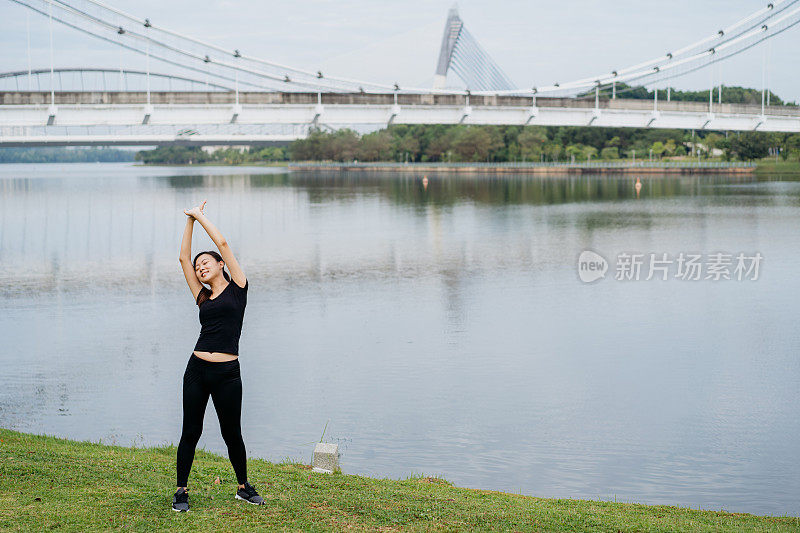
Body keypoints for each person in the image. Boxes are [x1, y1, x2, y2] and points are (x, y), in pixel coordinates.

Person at [173, 199, 264, 512]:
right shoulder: (202, 297)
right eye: (199, 267)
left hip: (227, 373)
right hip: (197, 370)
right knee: (191, 431)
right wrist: (189, 222)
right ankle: (181, 492)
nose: (200, 266)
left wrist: (201, 217)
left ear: (221, 265)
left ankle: (243, 487)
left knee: (232, 433)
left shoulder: (239, 287)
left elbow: (222, 243)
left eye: (206, 262)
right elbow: (183, 258)